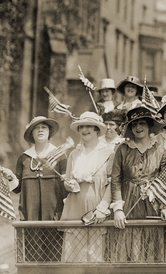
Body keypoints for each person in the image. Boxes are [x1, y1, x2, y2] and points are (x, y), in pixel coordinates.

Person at [0, 116, 67, 261]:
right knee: (31, 257)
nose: (40, 130)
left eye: (44, 127)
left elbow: (66, 189)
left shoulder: (60, 156)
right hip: (30, 217)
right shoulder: (24, 158)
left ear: (49, 132)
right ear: (32, 133)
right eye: (36, 128)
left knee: (55, 256)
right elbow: (17, 189)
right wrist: (11, 177)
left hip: (54, 218)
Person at [110, 106, 166, 262]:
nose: (138, 127)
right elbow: (115, 179)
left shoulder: (160, 150)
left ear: (149, 125)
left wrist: (165, 206)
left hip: (153, 202)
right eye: (134, 124)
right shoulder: (122, 149)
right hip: (128, 201)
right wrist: (118, 208)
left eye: (142, 123)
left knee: (152, 241)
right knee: (129, 242)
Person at [60, 112, 115, 262]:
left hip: (96, 211)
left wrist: (103, 207)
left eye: (88, 126)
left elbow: (113, 183)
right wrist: (69, 185)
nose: (84, 130)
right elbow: (67, 181)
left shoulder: (108, 153)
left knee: (95, 256)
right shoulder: (74, 154)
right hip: (74, 208)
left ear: (97, 129)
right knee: (73, 255)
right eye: (81, 126)